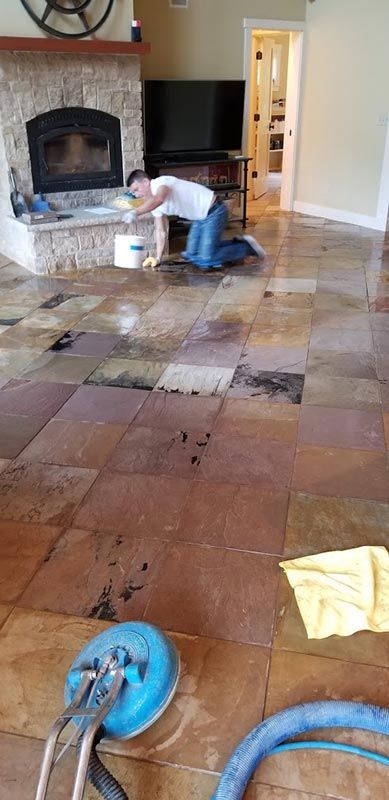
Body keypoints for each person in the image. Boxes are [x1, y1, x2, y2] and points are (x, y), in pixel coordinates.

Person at [122, 169, 266, 270]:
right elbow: (160, 231)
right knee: (190, 254)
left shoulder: (161, 182)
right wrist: (158, 259)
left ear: (146, 182)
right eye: (132, 192)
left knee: (205, 259)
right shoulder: (153, 204)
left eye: (136, 189)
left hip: (214, 211)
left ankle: (246, 247)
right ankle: (236, 243)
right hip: (200, 218)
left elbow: (160, 199)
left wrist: (135, 212)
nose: (135, 194)